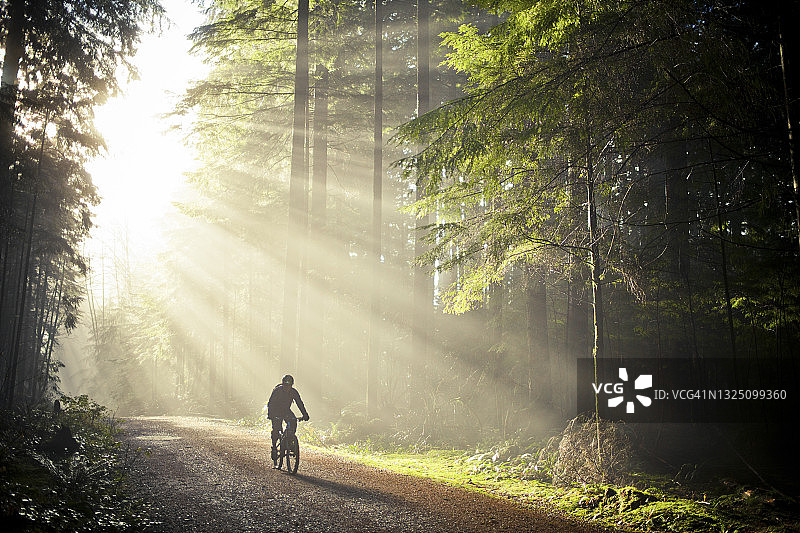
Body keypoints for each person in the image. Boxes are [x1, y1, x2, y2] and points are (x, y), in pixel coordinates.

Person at [267, 374, 309, 464]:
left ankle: (290, 441)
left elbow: (299, 403)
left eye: (289, 385)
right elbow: (270, 403)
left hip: (286, 411)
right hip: (276, 411)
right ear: (282, 384)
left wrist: (305, 415)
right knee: (276, 428)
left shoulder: (293, 392)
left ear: (291, 385)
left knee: (293, 422)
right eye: (285, 385)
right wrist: (270, 415)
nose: (287, 387)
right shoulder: (277, 391)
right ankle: (274, 446)